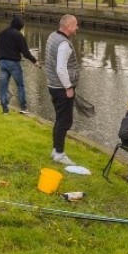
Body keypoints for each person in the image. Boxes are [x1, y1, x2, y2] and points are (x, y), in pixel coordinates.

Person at [44, 14, 79, 165]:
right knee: (64, 121)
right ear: (68, 27)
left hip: (53, 85)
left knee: (60, 119)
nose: (77, 27)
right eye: (75, 25)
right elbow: (60, 68)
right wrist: (68, 87)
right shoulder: (64, 44)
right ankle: (59, 153)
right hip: (61, 88)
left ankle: (55, 150)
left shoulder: (53, 36)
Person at [0, 15, 38, 114]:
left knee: (3, 86)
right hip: (13, 63)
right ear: (19, 26)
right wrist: (34, 61)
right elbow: (25, 52)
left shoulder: (1, 33)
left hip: (2, 62)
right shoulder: (18, 35)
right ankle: (23, 108)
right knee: (20, 85)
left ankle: (5, 109)